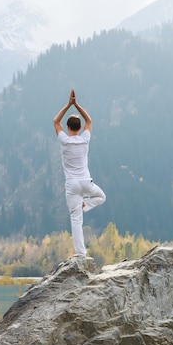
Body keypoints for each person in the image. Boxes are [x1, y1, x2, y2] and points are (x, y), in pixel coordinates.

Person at [53, 89, 106, 258]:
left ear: (67, 128)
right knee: (101, 197)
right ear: (80, 127)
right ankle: (87, 205)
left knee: (76, 220)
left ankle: (80, 253)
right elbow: (89, 120)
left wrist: (69, 104)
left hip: (72, 185)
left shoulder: (65, 141)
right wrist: (77, 104)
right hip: (86, 182)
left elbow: (56, 121)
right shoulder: (85, 139)